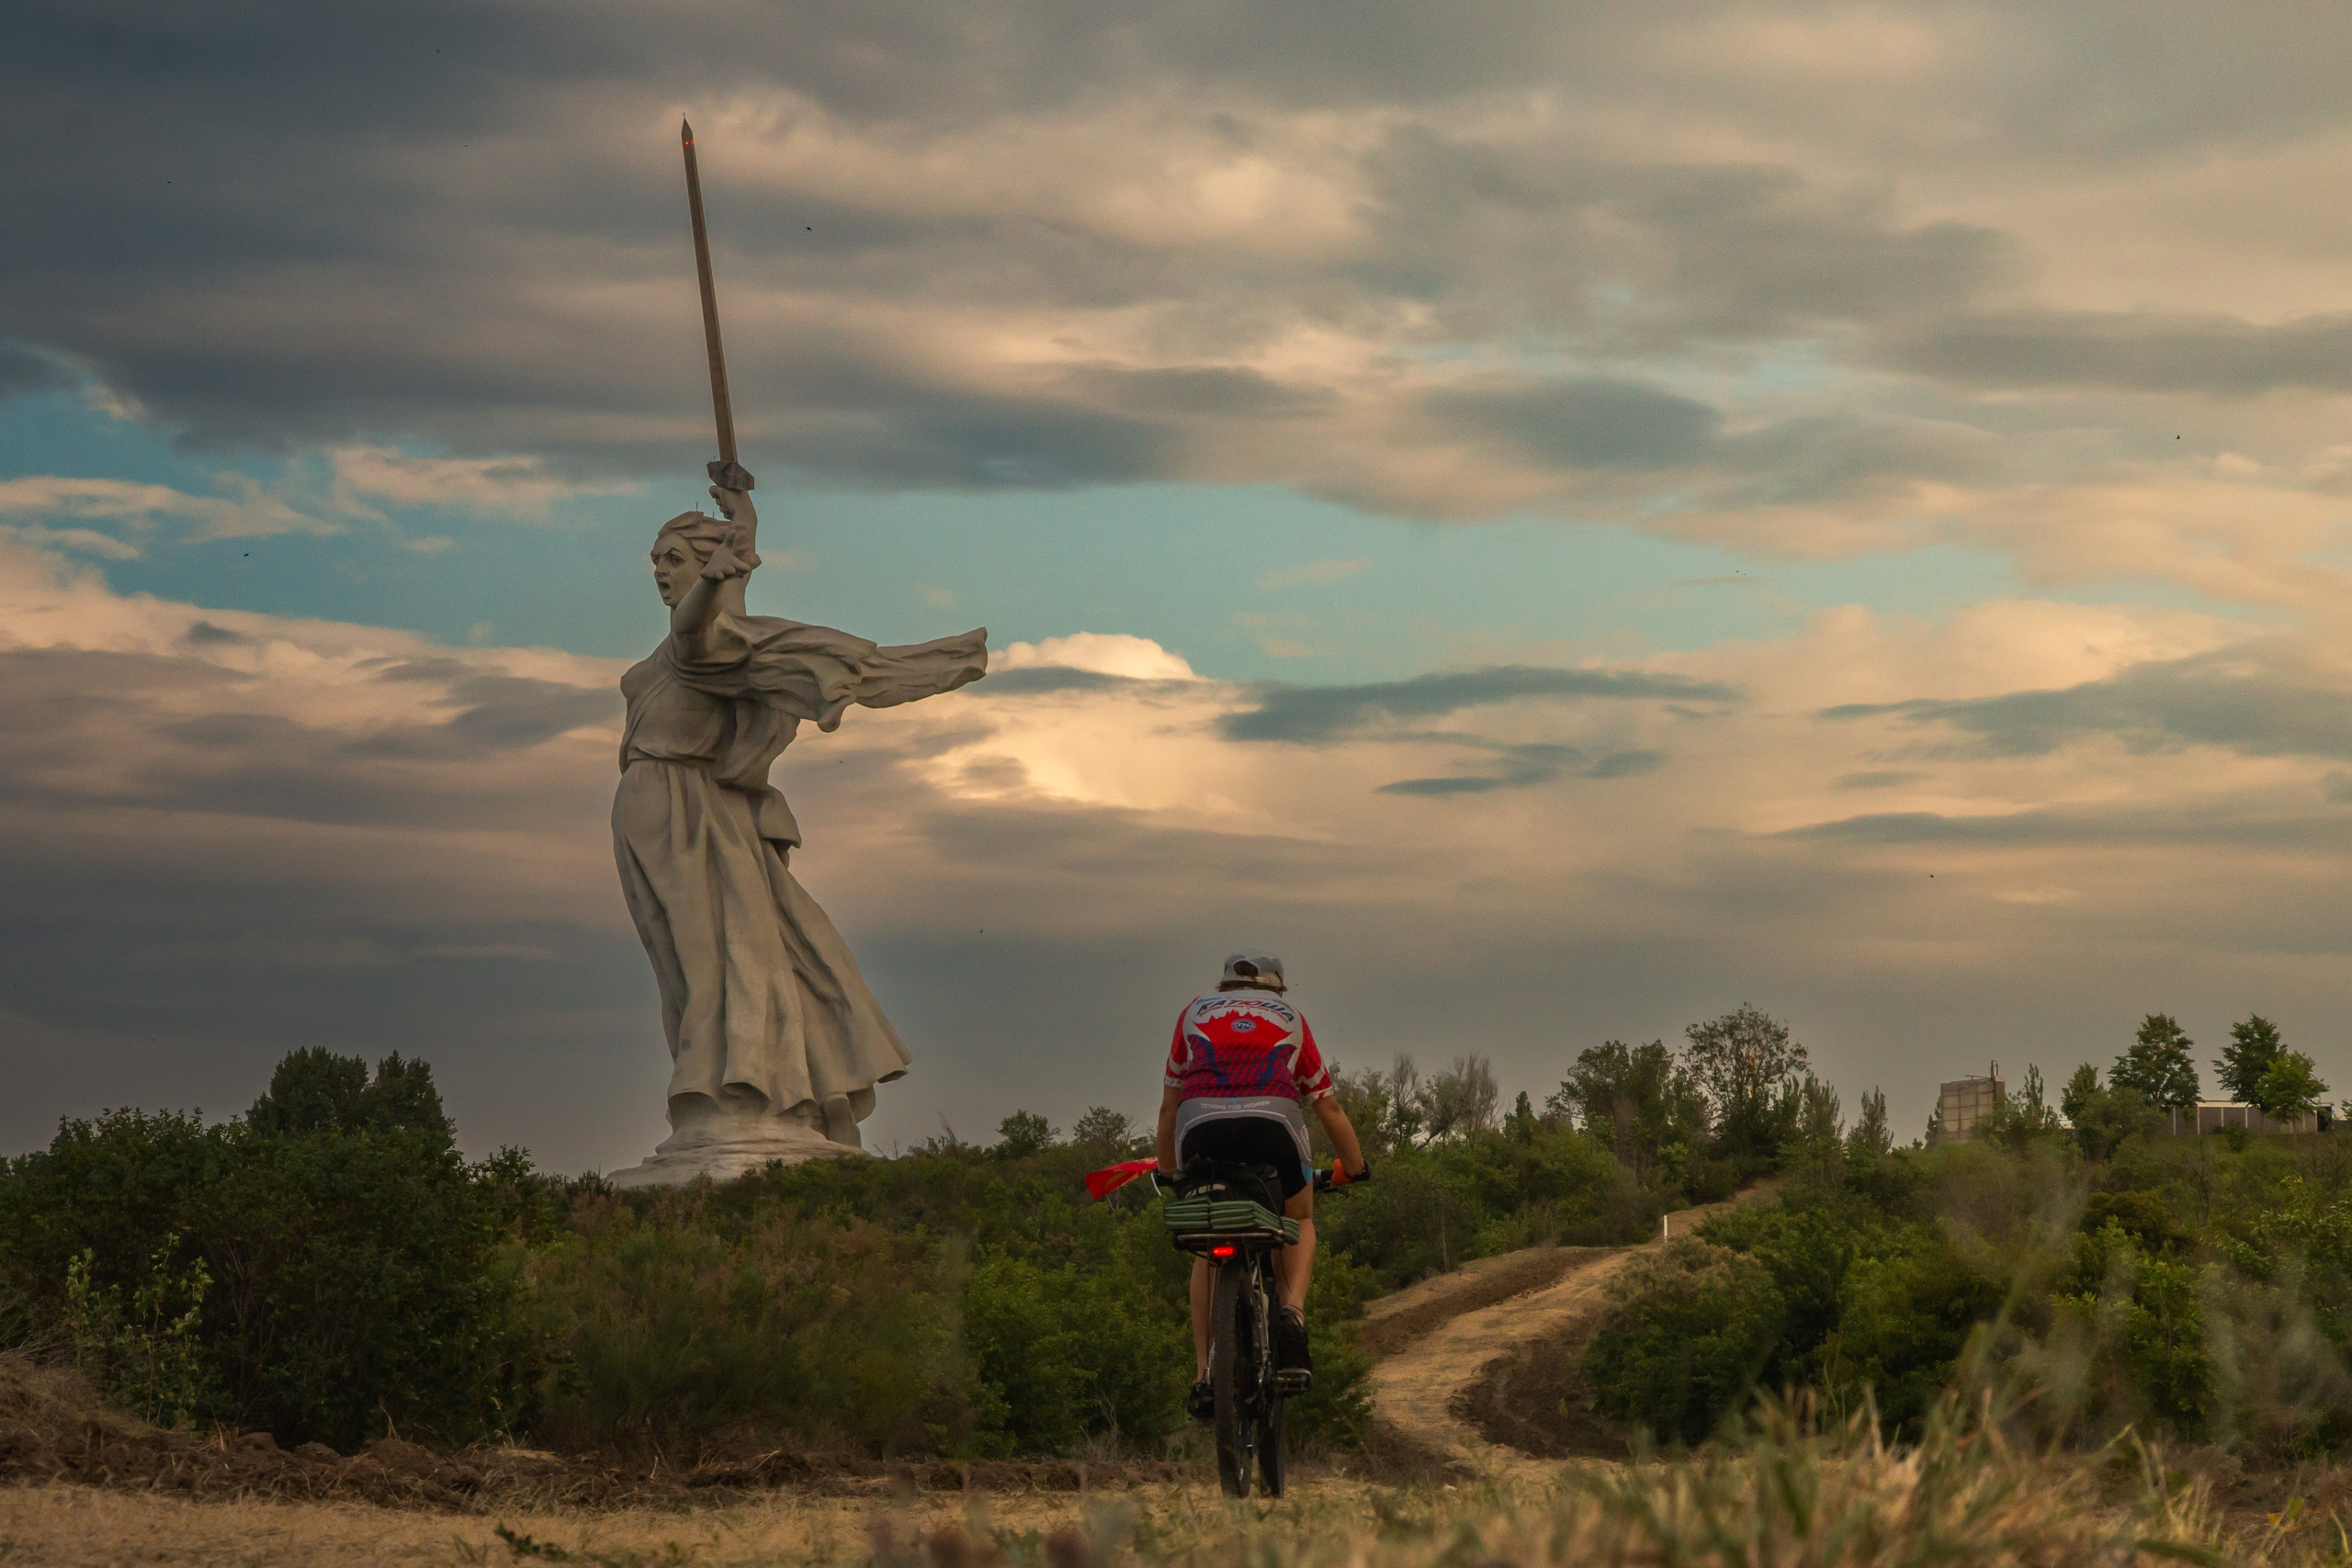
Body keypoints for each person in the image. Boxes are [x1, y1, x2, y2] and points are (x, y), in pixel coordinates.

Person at [613, 477, 985, 1162]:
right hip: (664, 812)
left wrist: (722, 566)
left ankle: (747, 1093)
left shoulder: (703, 642)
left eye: (674, 559)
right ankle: (731, 1093)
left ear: (705, 568)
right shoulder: (713, 637)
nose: (662, 573)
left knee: (734, 955)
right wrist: (744, 516)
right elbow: (715, 608)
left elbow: (696, 623)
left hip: (693, 808)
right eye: (657, 562)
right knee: (696, 962)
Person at [1155, 953, 1370, 1417]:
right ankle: (1291, 1316)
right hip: (1273, 1125)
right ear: (1277, 990)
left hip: (1200, 1128)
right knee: (1301, 1216)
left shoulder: (1193, 1012)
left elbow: (1168, 1109)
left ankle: (1204, 1374)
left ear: (1224, 986)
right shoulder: (1290, 1018)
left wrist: (1169, 1173)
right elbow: (1327, 1108)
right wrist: (1354, 1167)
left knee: (1206, 1242)